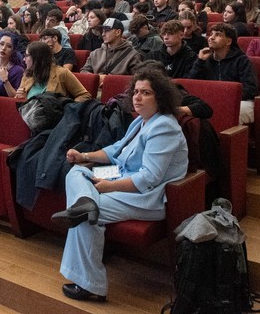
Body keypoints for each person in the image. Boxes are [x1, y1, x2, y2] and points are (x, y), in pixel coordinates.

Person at [52, 69, 188, 302]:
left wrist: (109, 187)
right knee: (76, 172)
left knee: (85, 216)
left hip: (148, 196)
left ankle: (91, 284)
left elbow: (148, 179)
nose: (137, 97)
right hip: (121, 175)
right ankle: (86, 203)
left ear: (160, 98)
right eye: (135, 91)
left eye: (146, 93)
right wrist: (84, 156)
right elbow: (116, 151)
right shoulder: (140, 122)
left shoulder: (164, 126)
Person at [188, 23, 258, 124]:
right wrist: (199, 62)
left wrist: (224, 98)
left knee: (229, 112)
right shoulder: (205, 59)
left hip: (241, 101)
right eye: (211, 34)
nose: (211, 38)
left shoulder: (241, 60)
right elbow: (191, 84)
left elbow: (251, 89)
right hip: (212, 100)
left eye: (218, 35)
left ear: (229, 41)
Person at [16, 41, 91, 101]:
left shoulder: (62, 73)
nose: (24, 59)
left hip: (55, 117)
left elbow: (85, 95)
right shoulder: (27, 75)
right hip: (30, 116)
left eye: (26, 55)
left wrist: (68, 108)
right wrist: (22, 98)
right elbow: (19, 99)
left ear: (37, 58)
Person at [80, 18, 145, 85]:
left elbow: (137, 79)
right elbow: (84, 71)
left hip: (118, 92)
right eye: (103, 31)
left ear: (118, 32)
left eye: (107, 30)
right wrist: (97, 78)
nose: (103, 34)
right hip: (95, 91)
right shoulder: (95, 53)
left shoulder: (132, 55)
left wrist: (110, 81)